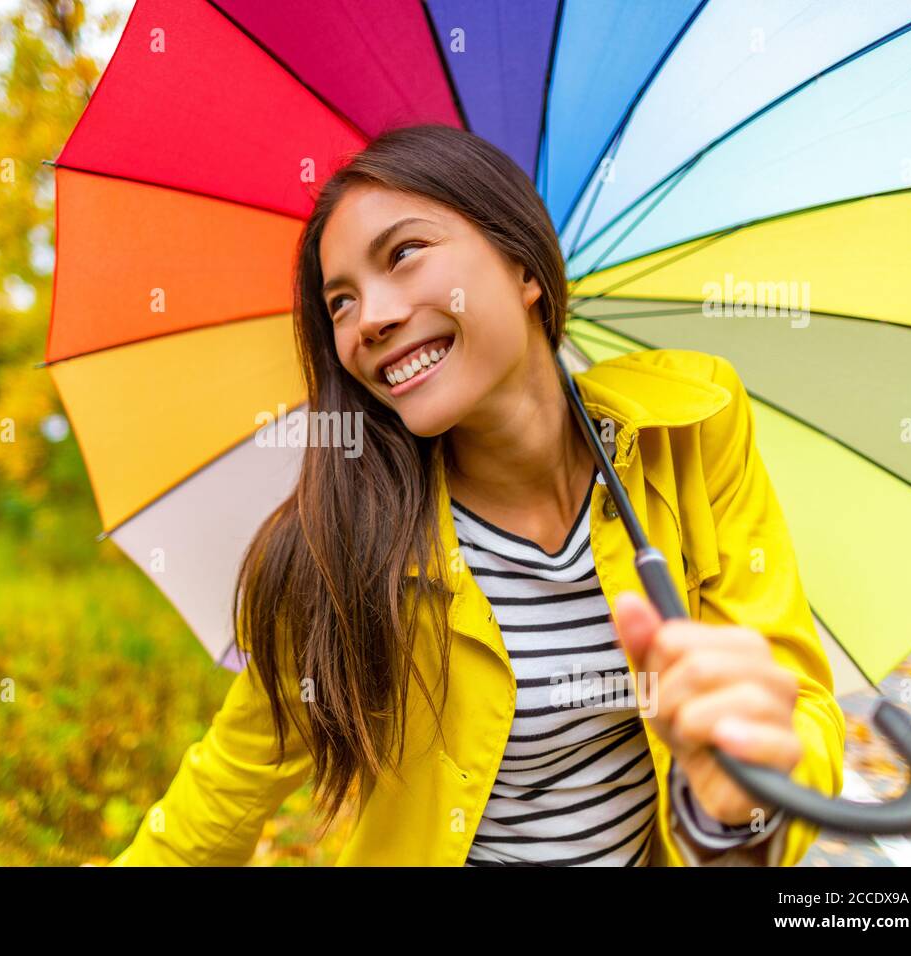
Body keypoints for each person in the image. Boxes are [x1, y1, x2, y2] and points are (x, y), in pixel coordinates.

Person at [110, 123, 844, 866]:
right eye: (338, 303)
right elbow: (222, 794)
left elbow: (798, 704)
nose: (370, 320)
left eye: (404, 255)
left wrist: (746, 790)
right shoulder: (340, 549)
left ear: (523, 264)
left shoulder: (693, 424)